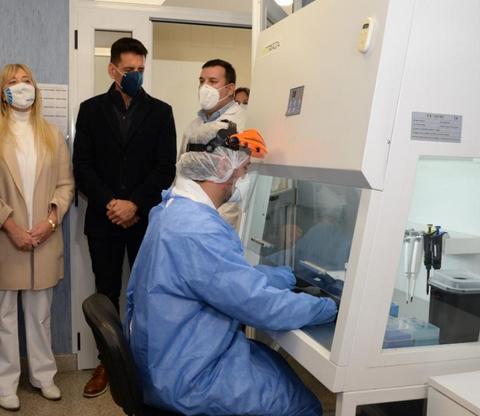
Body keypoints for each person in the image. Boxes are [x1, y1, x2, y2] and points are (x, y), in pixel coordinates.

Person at [125, 130, 337, 416]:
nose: (244, 179)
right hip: (188, 379)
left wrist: (286, 275)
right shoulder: (199, 230)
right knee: (303, 405)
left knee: (273, 363)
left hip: (164, 359)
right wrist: (329, 307)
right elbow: (261, 306)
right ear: (223, 167)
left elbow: (226, 278)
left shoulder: (171, 210)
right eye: (245, 169)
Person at [73, 37, 176, 398]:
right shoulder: (89, 109)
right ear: (112, 69)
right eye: (129, 70)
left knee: (146, 293)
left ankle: (145, 362)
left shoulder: (161, 111)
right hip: (103, 220)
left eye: (141, 70)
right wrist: (111, 204)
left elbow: (165, 168)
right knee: (106, 292)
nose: (135, 75)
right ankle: (107, 362)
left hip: (144, 219)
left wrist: (134, 204)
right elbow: (82, 166)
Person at [0, 64, 74, 411]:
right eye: (13, 82)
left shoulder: (51, 133)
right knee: (1, 317)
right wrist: (10, 225)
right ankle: (4, 383)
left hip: (44, 238)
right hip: (1, 238)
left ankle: (43, 376)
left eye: (26, 80)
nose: (22, 87)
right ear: (2, 92)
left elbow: (65, 185)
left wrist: (51, 220)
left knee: (40, 314)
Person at [179, 59, 247, 230]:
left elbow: (240, 183)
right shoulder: (193, 126)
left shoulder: (243, 125)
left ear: (230, 88)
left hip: (218, 222)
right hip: (187, 216)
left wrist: (216, 224)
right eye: (202, 81)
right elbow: (181, 172)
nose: (204, 87)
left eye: (213, 81)